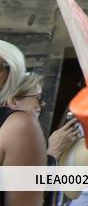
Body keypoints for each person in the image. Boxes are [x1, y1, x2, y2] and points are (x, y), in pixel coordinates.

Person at [1, 70, 47, 206]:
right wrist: (52, 157)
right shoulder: (21, 126)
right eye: (38, 97)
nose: (42, 104)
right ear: (13, 101)